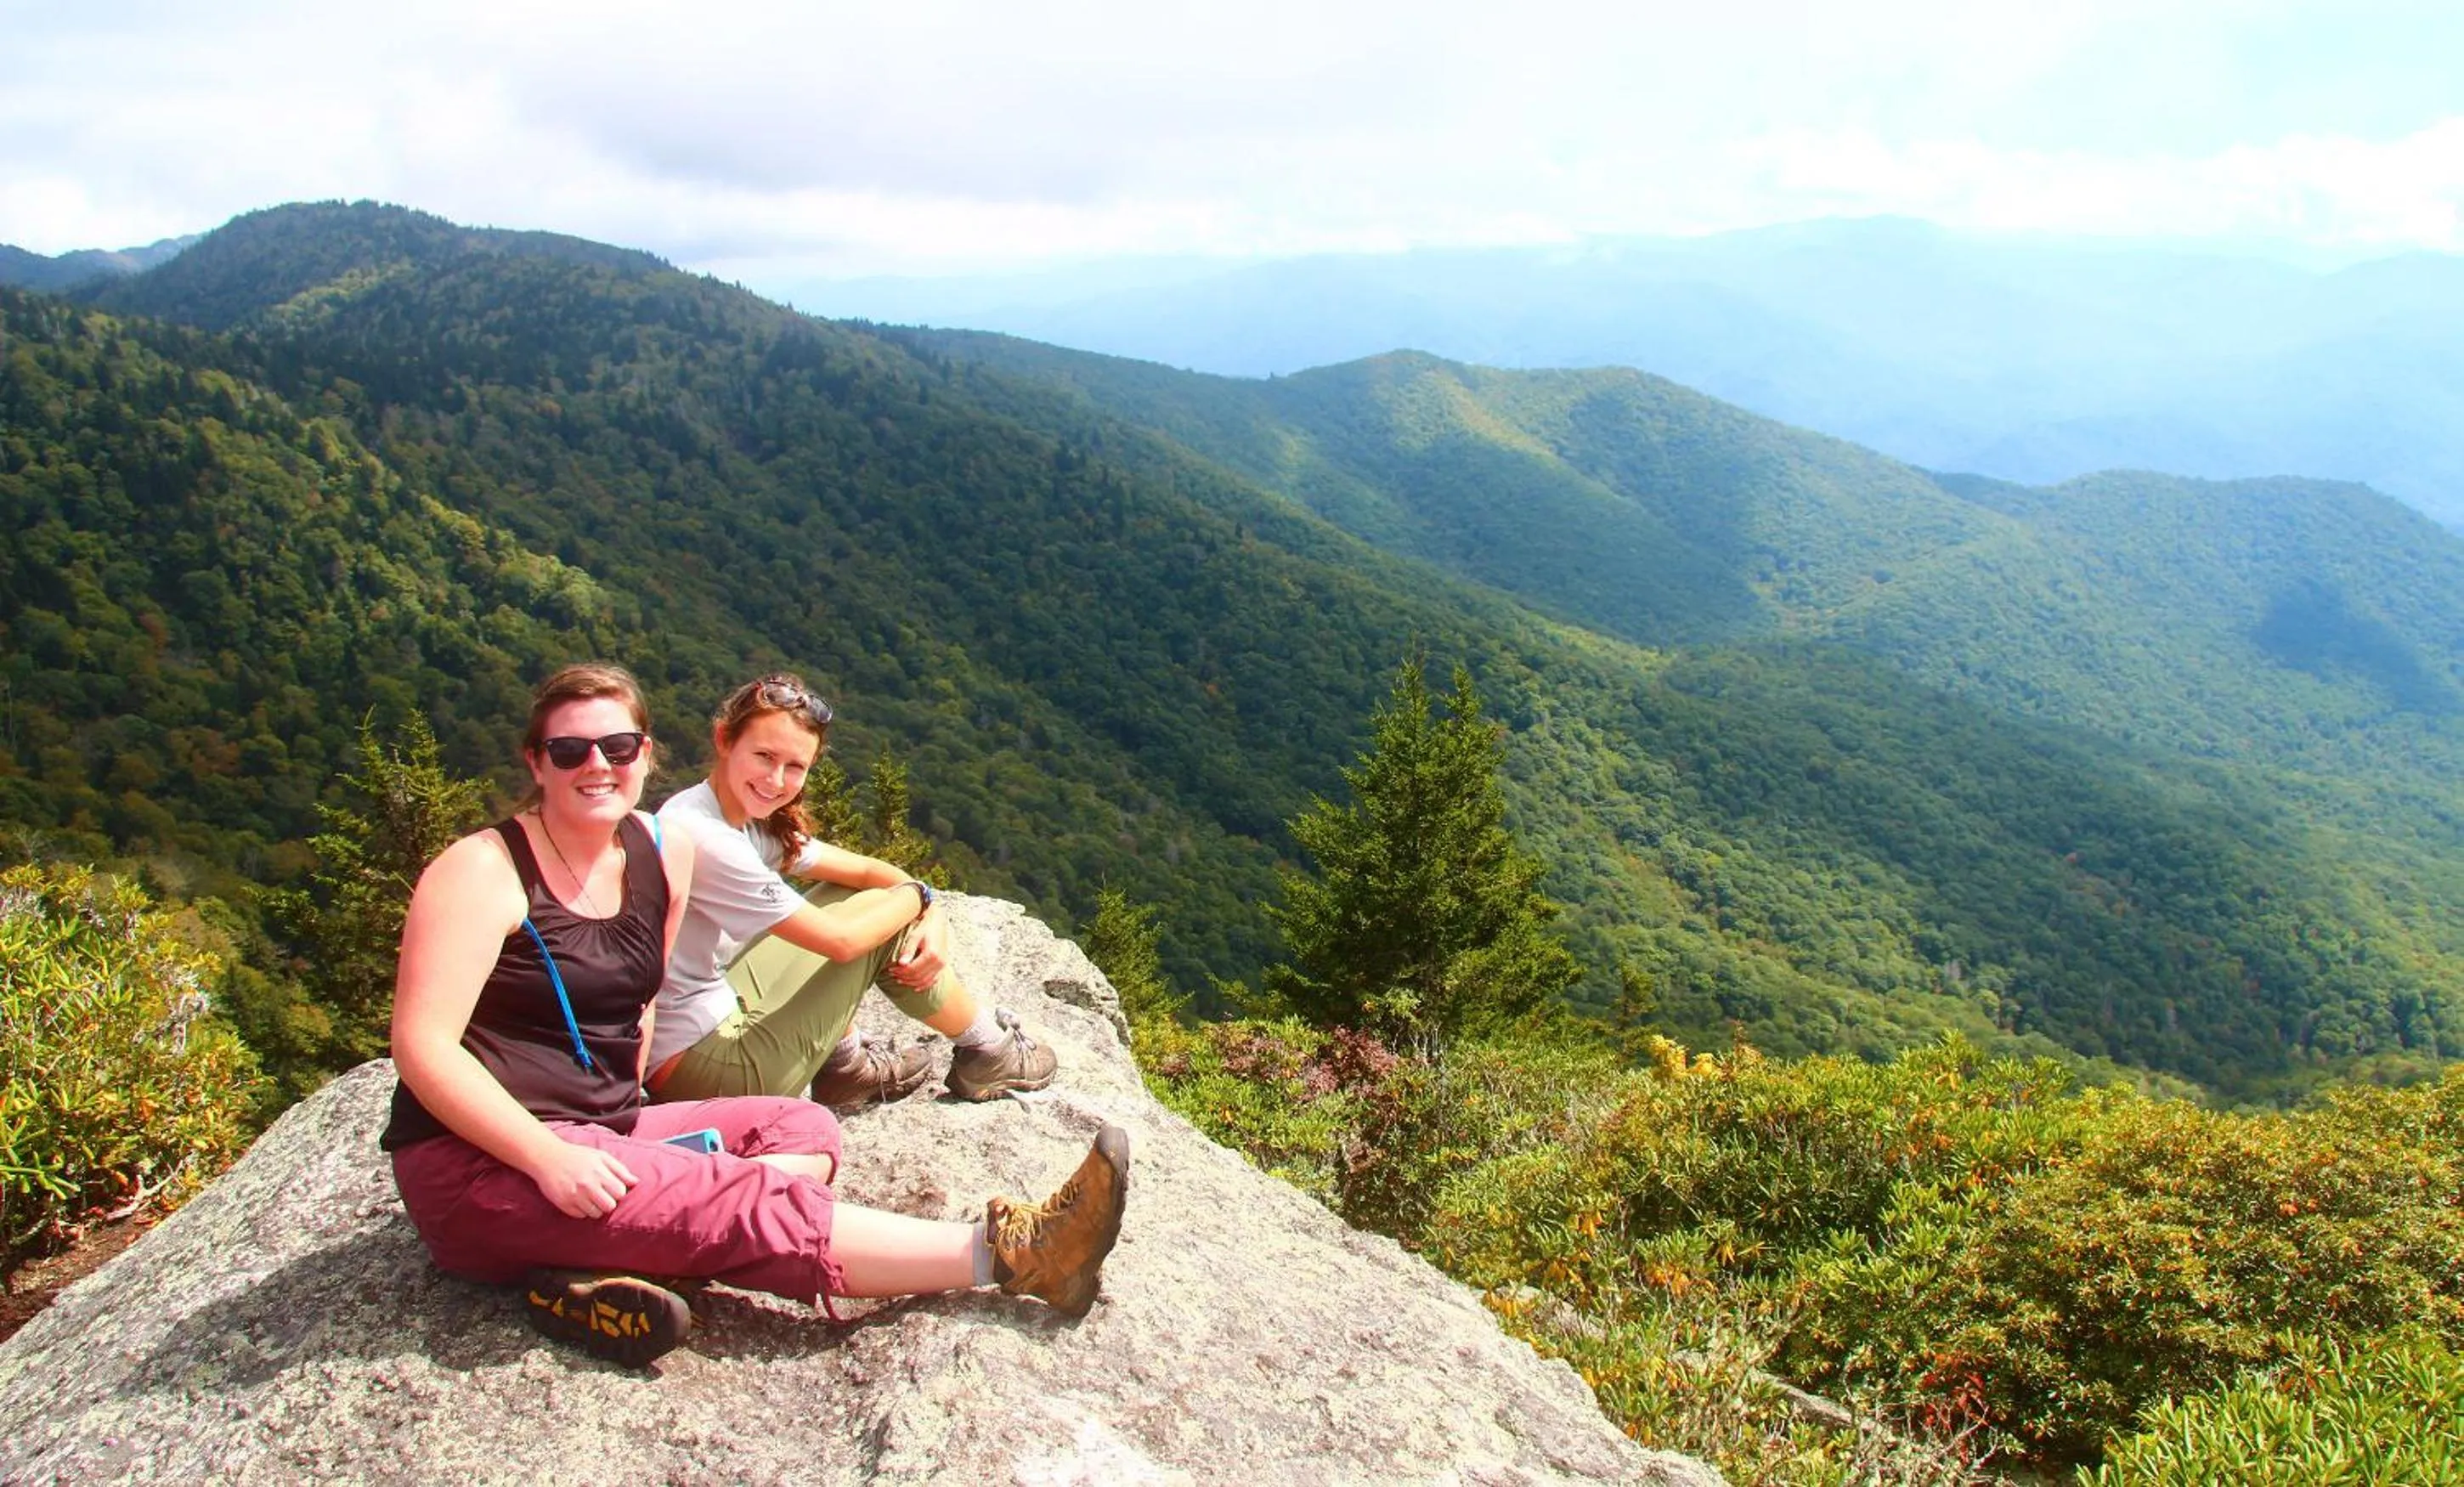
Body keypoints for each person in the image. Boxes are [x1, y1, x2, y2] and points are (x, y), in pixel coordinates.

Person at [384, 662, 1128, 1367]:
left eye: (616, 746)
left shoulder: (652, 851)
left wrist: (632, 1132)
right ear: (536, 761)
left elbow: (641, 1003)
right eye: (570, 748)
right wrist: (548, 1157)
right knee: (739, 1195)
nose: (596, 765)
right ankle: (1017, 1255)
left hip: (601, 1127)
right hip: (481, 1167)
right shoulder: (482, 870)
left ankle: (617, 1257)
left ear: (644, 754)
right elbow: (422, 1046)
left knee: (803, 1127)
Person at [643, 674, 1058, 1111]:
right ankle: (990, 1053)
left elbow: (863, 871)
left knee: (854, 897)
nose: (776, 780)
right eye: (764, 756)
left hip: (701, 1023)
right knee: (879, 927)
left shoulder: (729, 812)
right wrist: (918, 900)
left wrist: (927, 907)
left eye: (795, 767)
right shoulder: (706, 836)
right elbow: (842, 944)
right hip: (708, 1077)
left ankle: (845, 1068)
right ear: (724, 739)